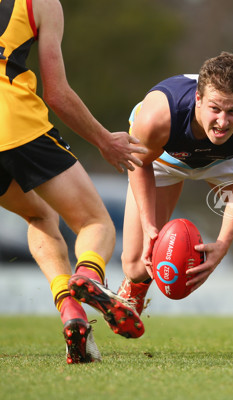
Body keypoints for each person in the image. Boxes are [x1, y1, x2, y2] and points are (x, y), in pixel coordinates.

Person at [116, 52, 233, 357]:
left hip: (228, 162)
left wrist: (222, 244)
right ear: (198, 100)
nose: (222, 121)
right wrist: (150, 225)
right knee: (137, 265)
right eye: (215, 109)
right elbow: (138, 164)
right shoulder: (157, 118)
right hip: (164, 159)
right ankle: (135, 286)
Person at [0, 0, 147, 364]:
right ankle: (87, 275)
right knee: (95, 223)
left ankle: (71, 312)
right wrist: (105, 141)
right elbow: (57, 94)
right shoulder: (41, 4)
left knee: (40, 216)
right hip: (17, 126)